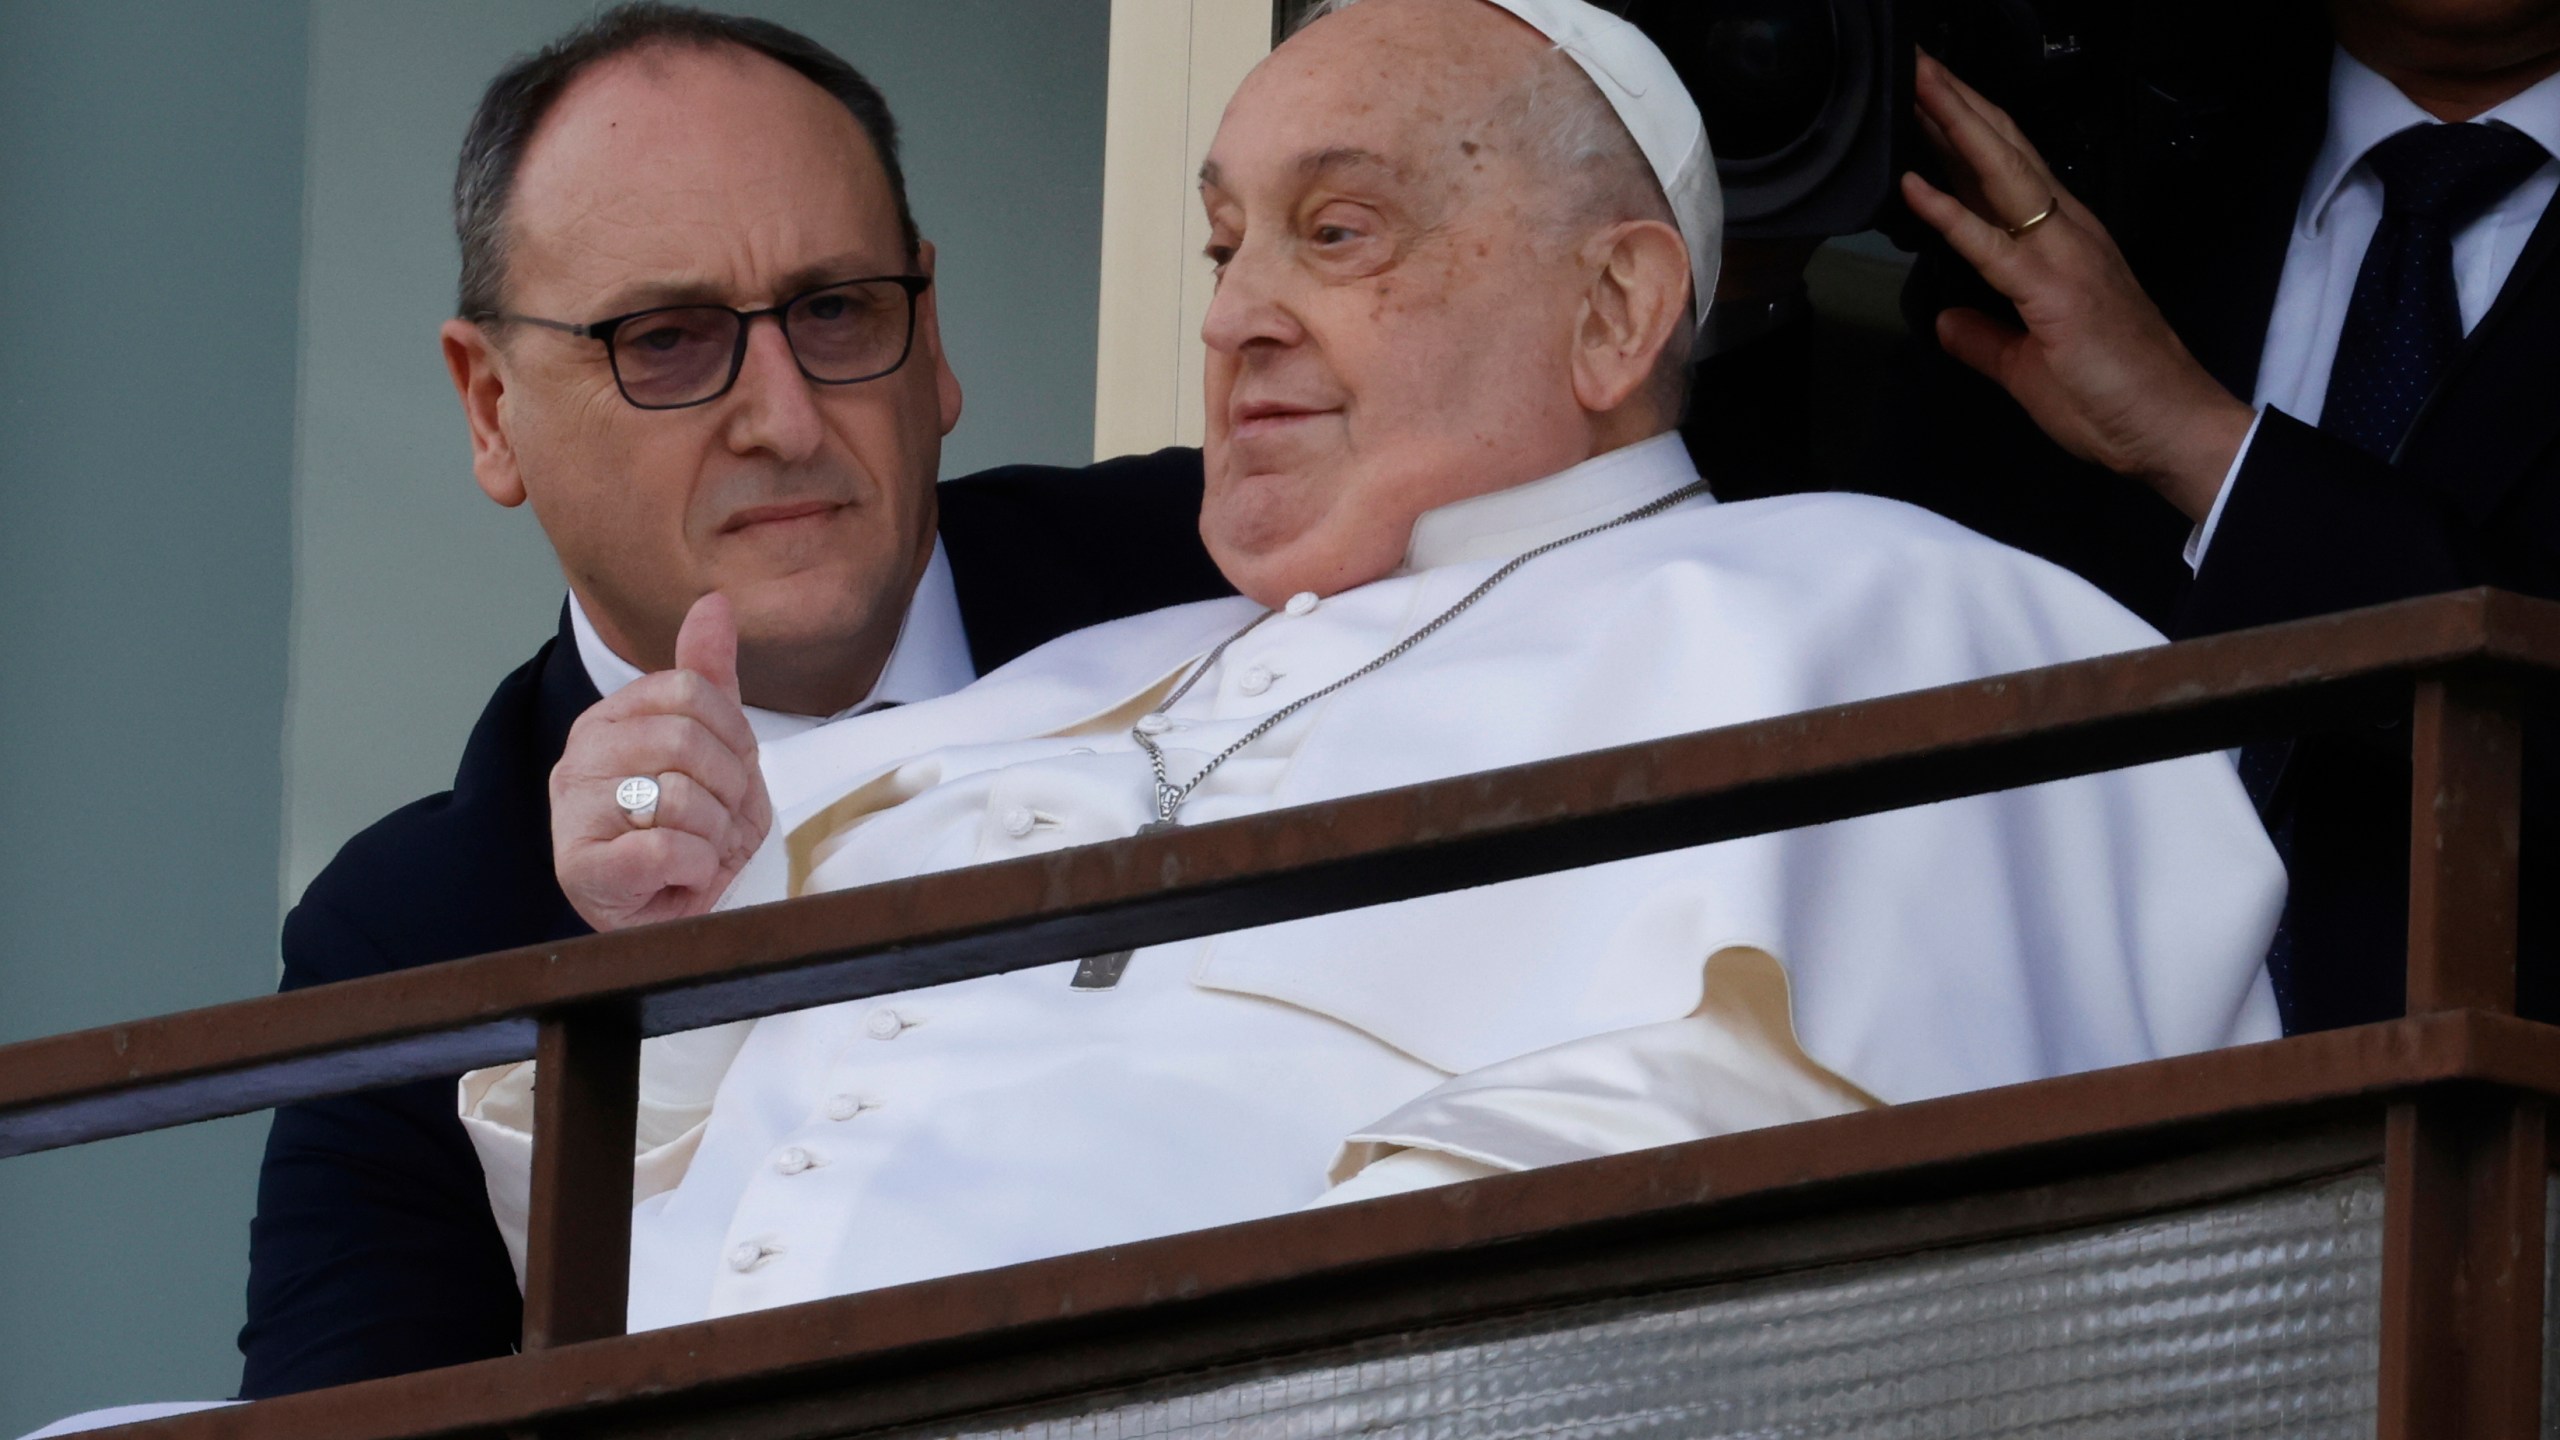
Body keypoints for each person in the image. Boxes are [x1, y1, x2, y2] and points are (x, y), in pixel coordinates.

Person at [463, 0, 2285, 1328]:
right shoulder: (1062, 682)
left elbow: (1773, 1190)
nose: (1237, 309)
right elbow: (620, 1233)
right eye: (1224, 239)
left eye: (1339, 233)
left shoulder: (1861, 610)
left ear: (1616, 310)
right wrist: (675, 950)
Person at [237, 5, 1226, 1399]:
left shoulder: (1215, 564)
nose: (784, 416)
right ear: (489, 405)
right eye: (669, 341)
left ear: (929, 337)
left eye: (834, 311)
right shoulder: (414, 930)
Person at [1885, 0, 2560, 1032]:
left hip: (2494, 1157)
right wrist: (1736, 291)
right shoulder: (2096, 185)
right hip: (2045, 1119)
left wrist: (2205, 448)